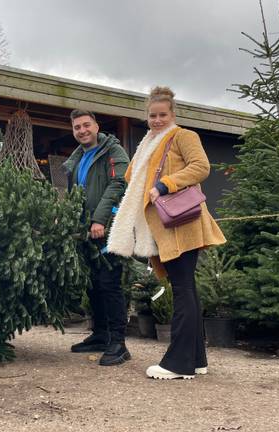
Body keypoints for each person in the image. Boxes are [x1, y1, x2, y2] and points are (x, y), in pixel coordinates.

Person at [107, 86, 226, 380]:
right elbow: (133, 178)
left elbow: (201, 167)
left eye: (162, 114)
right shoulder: (148, 142)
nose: (157, 119)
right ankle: (196, 360)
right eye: (152, 115)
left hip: (182, 221)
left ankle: (179, 363)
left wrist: (166, 183)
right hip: (165, 225)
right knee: (186, 288)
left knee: (183, 289)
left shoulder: (184, 136)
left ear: (173, 114)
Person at [63, 109, 131, 366]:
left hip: (108, 227)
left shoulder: (113, 151)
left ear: (96, 126)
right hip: (85, 231)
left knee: (109, 283)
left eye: (86, 125)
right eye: (77, 127)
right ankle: (101, 334)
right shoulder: (78, 157)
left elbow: (118, 185)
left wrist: (100, 219)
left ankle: (119, 343)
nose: (82, 130)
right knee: (92, 284)